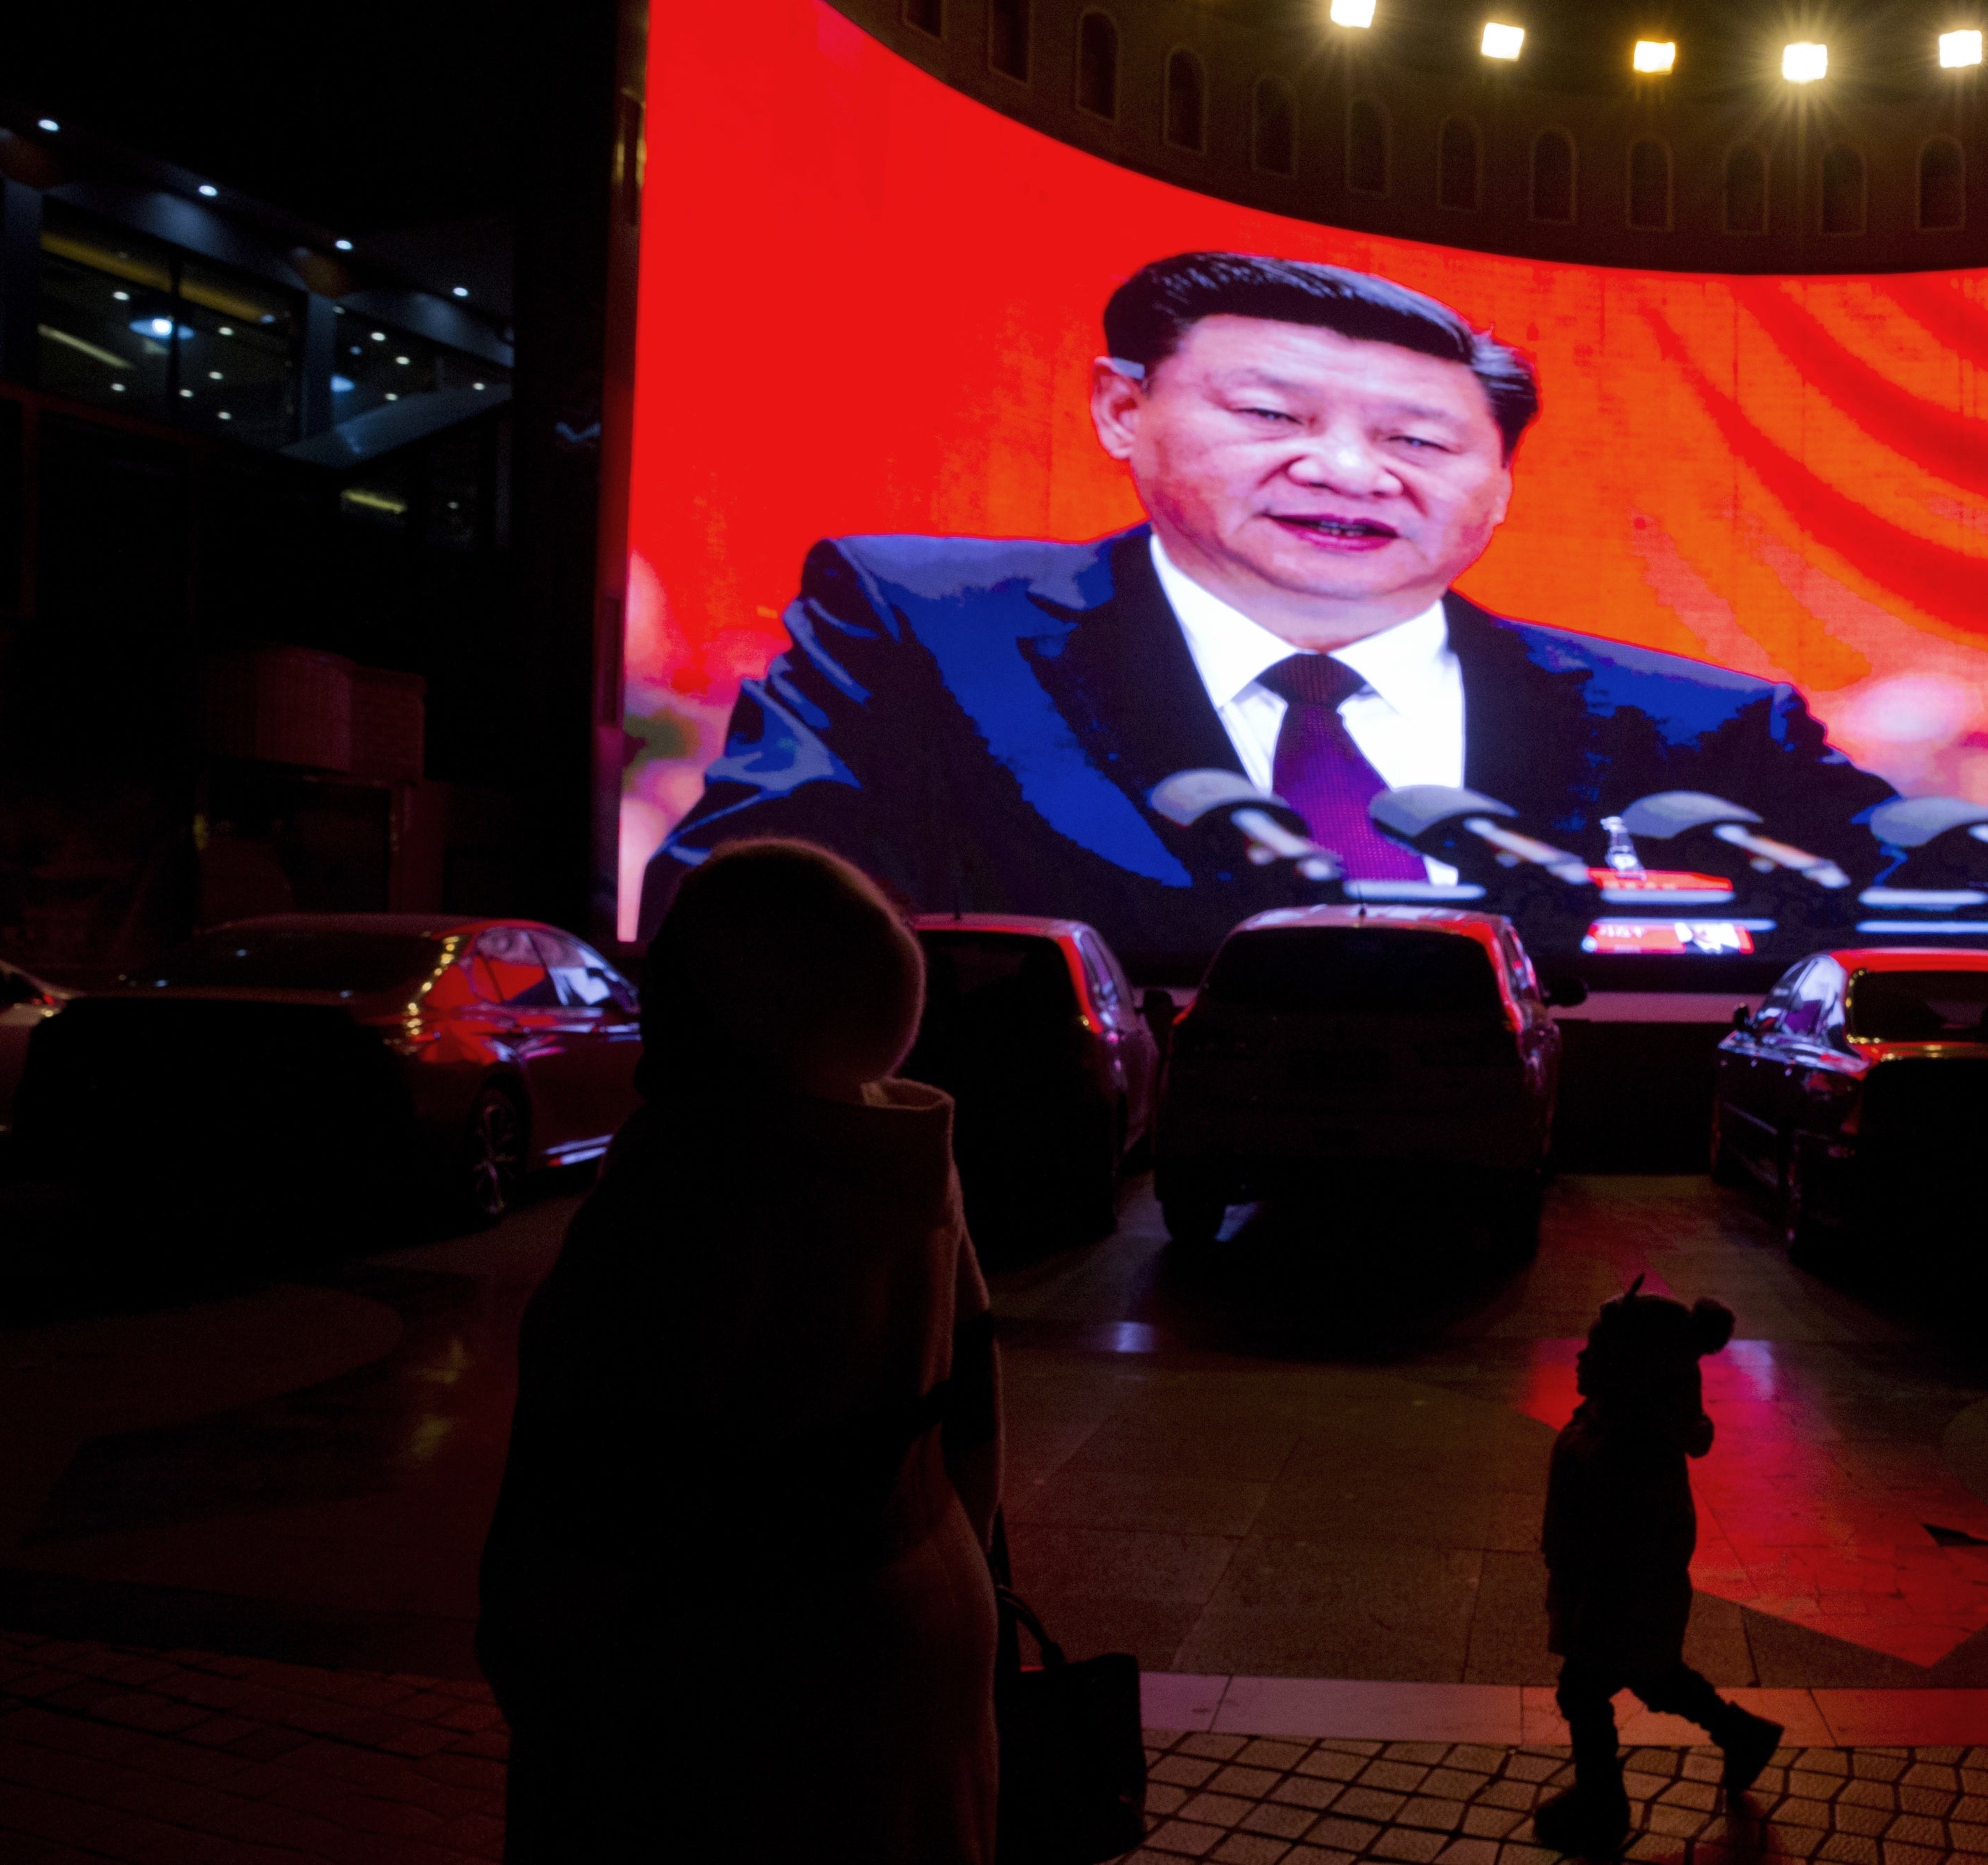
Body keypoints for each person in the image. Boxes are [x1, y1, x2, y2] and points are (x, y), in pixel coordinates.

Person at [638, 250, 1899, 954]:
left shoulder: (1698, 722)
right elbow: (749, 911)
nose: (1350, 472)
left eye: (1418, 438)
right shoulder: (921, 624)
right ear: (1120, 410)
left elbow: (1942, 921)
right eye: (1271, 417)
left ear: (1501, 489)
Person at [478, 839, 1001, 1863]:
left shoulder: (683, 1193)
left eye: (677, 952)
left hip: (732, 1710)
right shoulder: (905, 1152)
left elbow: (579, 1526)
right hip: (923, 1651)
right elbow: (971, 1438)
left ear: (735, 994)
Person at [1535, 1276, 1783, 1856]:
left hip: (1622, 1595)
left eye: (1594, 1349)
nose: (1580, 1354)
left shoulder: (1636, 1446)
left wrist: (1593, 1594)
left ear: (1629, 1369)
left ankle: (1604, 1803)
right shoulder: (1607, 1420)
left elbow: (1629, 1540)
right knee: (1656, 1676)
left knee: (1584, 1690)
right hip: (1608, 1593)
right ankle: (1741, 1734)